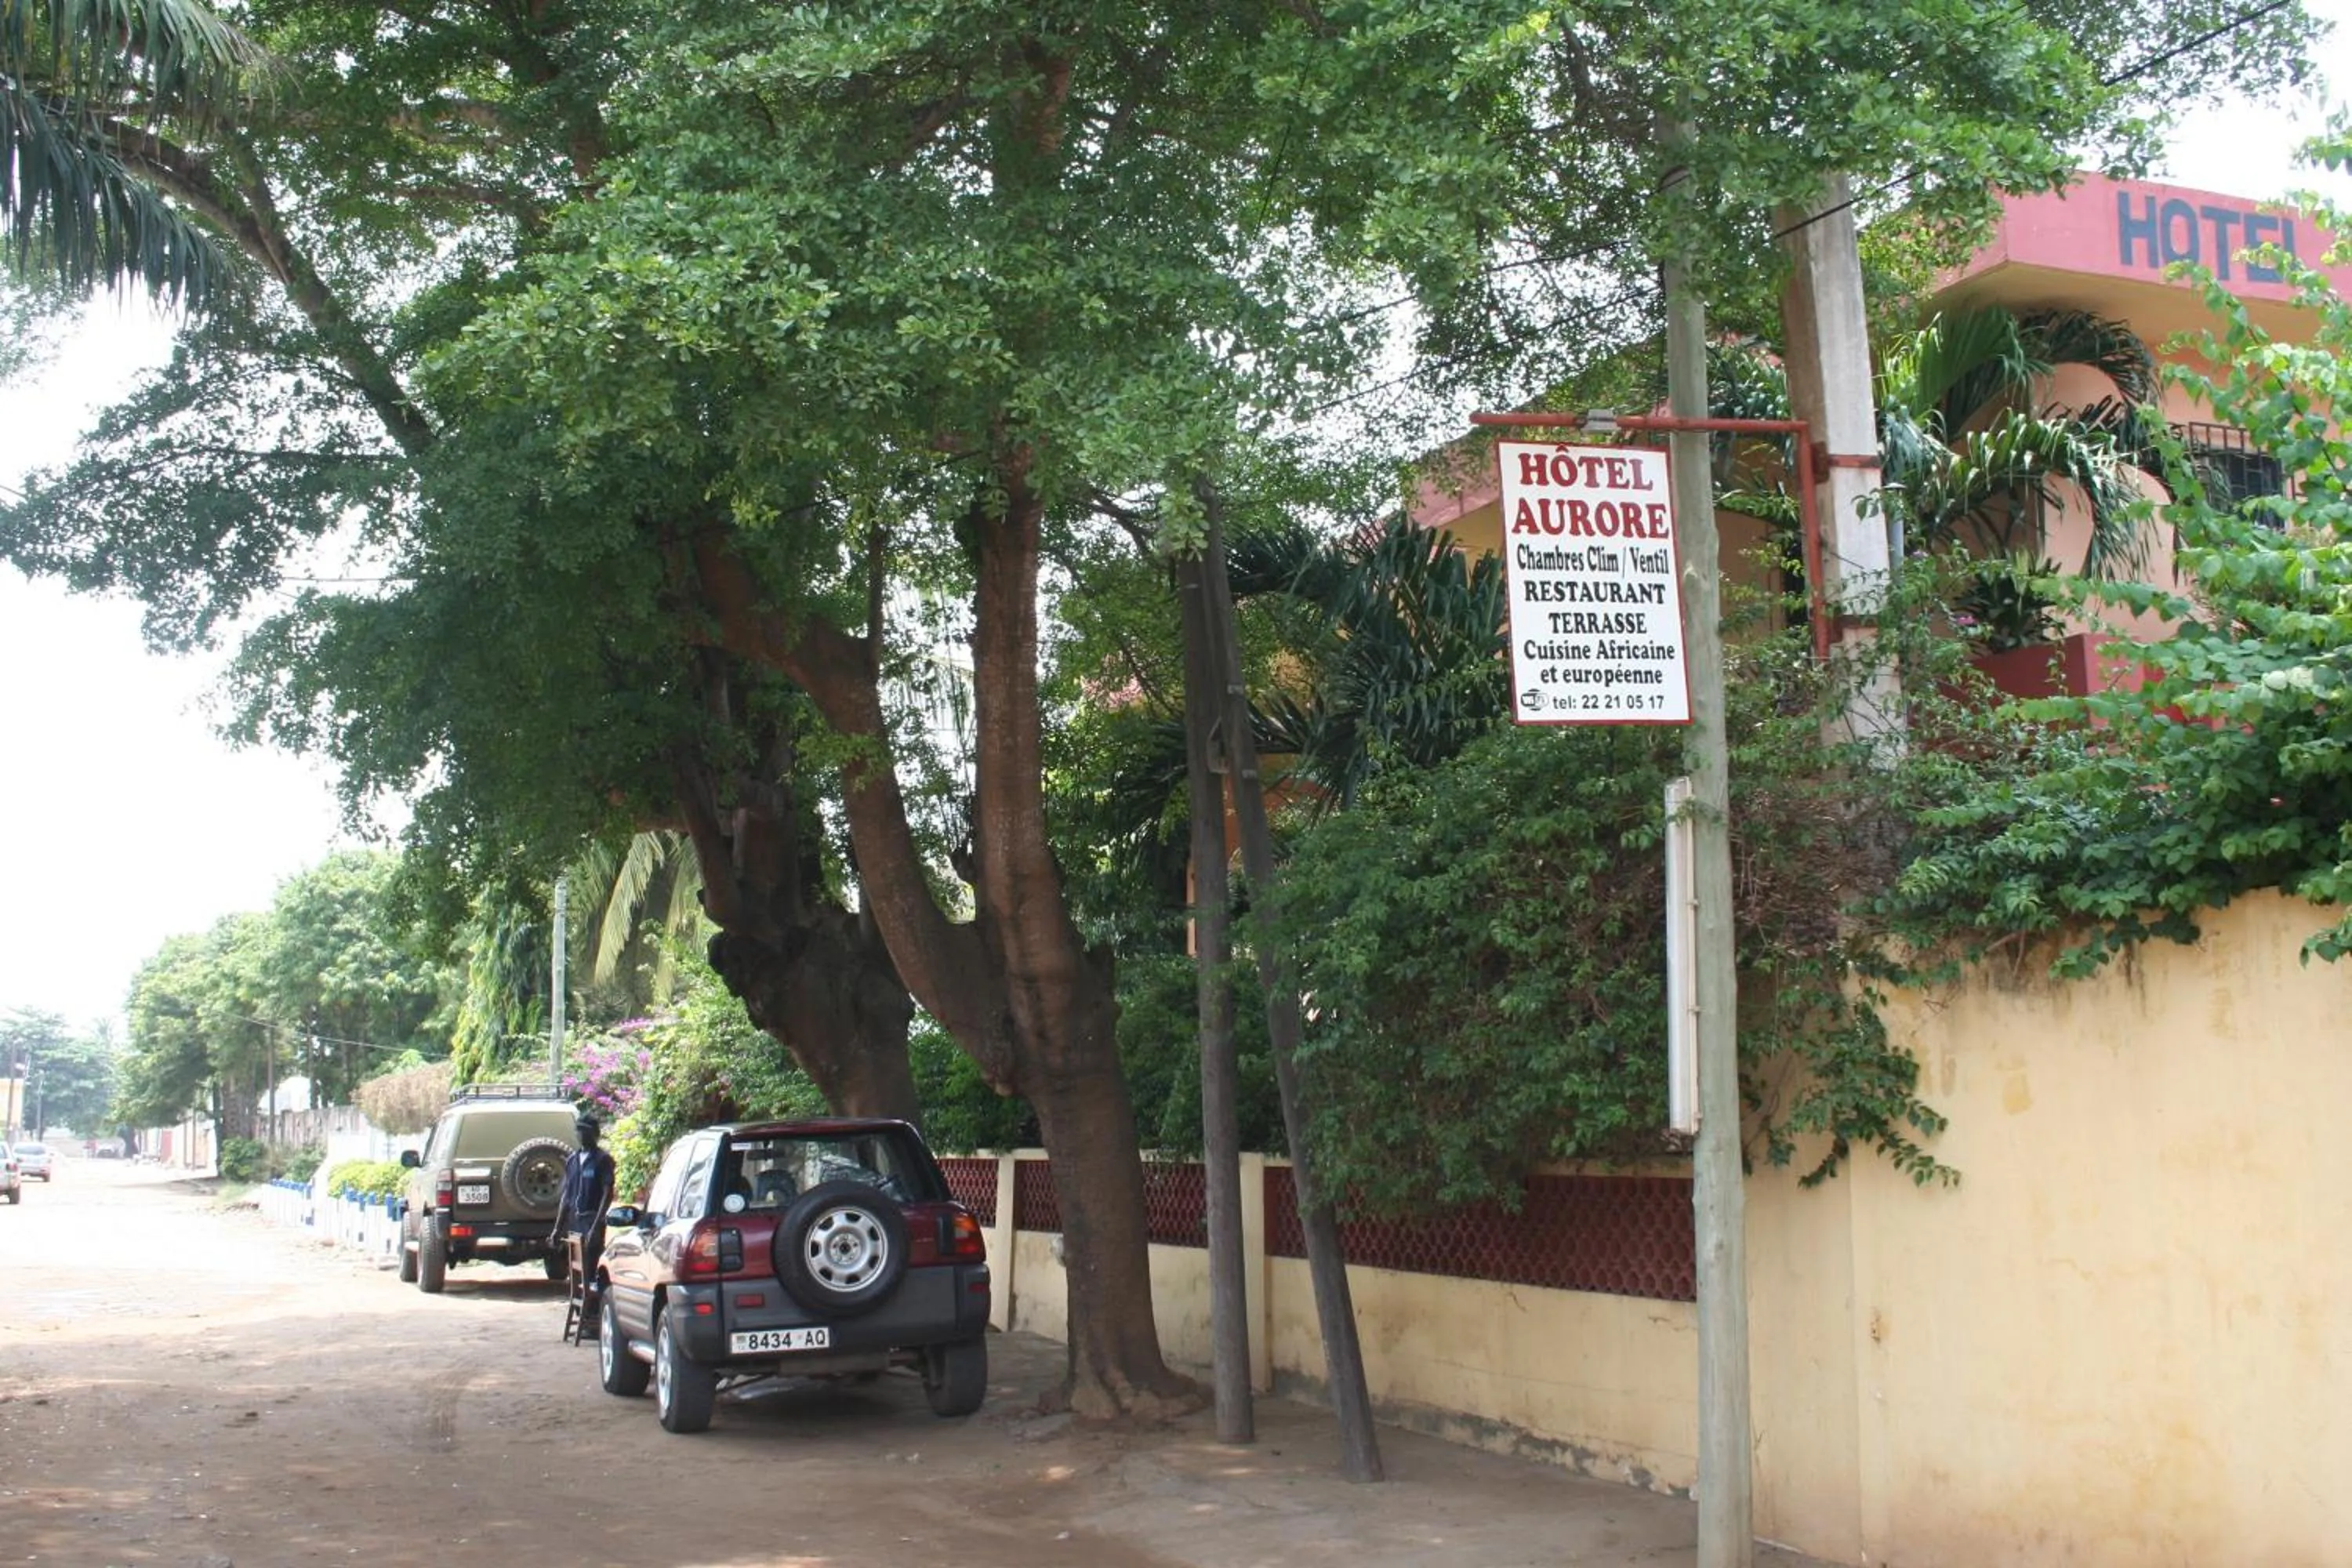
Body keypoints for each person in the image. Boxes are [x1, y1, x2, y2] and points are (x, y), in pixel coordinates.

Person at [551, 1114, 617, 1279]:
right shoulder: (572, 1160)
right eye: (578, 1130)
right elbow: (567, 1196)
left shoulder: (602, 1160)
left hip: (591, 1221)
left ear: (595, 1134)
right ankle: (578, 1303)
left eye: (585, 1131)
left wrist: (596, 1226)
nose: (581, 1134)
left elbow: (607, 1193)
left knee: (590, 1269)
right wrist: (557, 1229)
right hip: (575, 1222)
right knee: (575, 1271)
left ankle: (592, 1304)